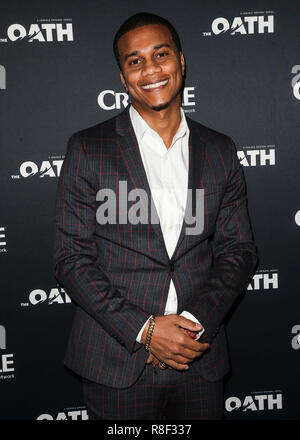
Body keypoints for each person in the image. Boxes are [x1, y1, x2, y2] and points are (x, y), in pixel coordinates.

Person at [53, 12, 257, 420]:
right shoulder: (88, 149)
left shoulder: (220, 150)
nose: (151, 69)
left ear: (181, 62)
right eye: (135, 61)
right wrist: (146, 330)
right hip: (117, 362)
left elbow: (239, 251)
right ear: (124, 77)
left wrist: (192, 325)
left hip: (199, 358)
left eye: (160, 55)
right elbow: (70, 259)